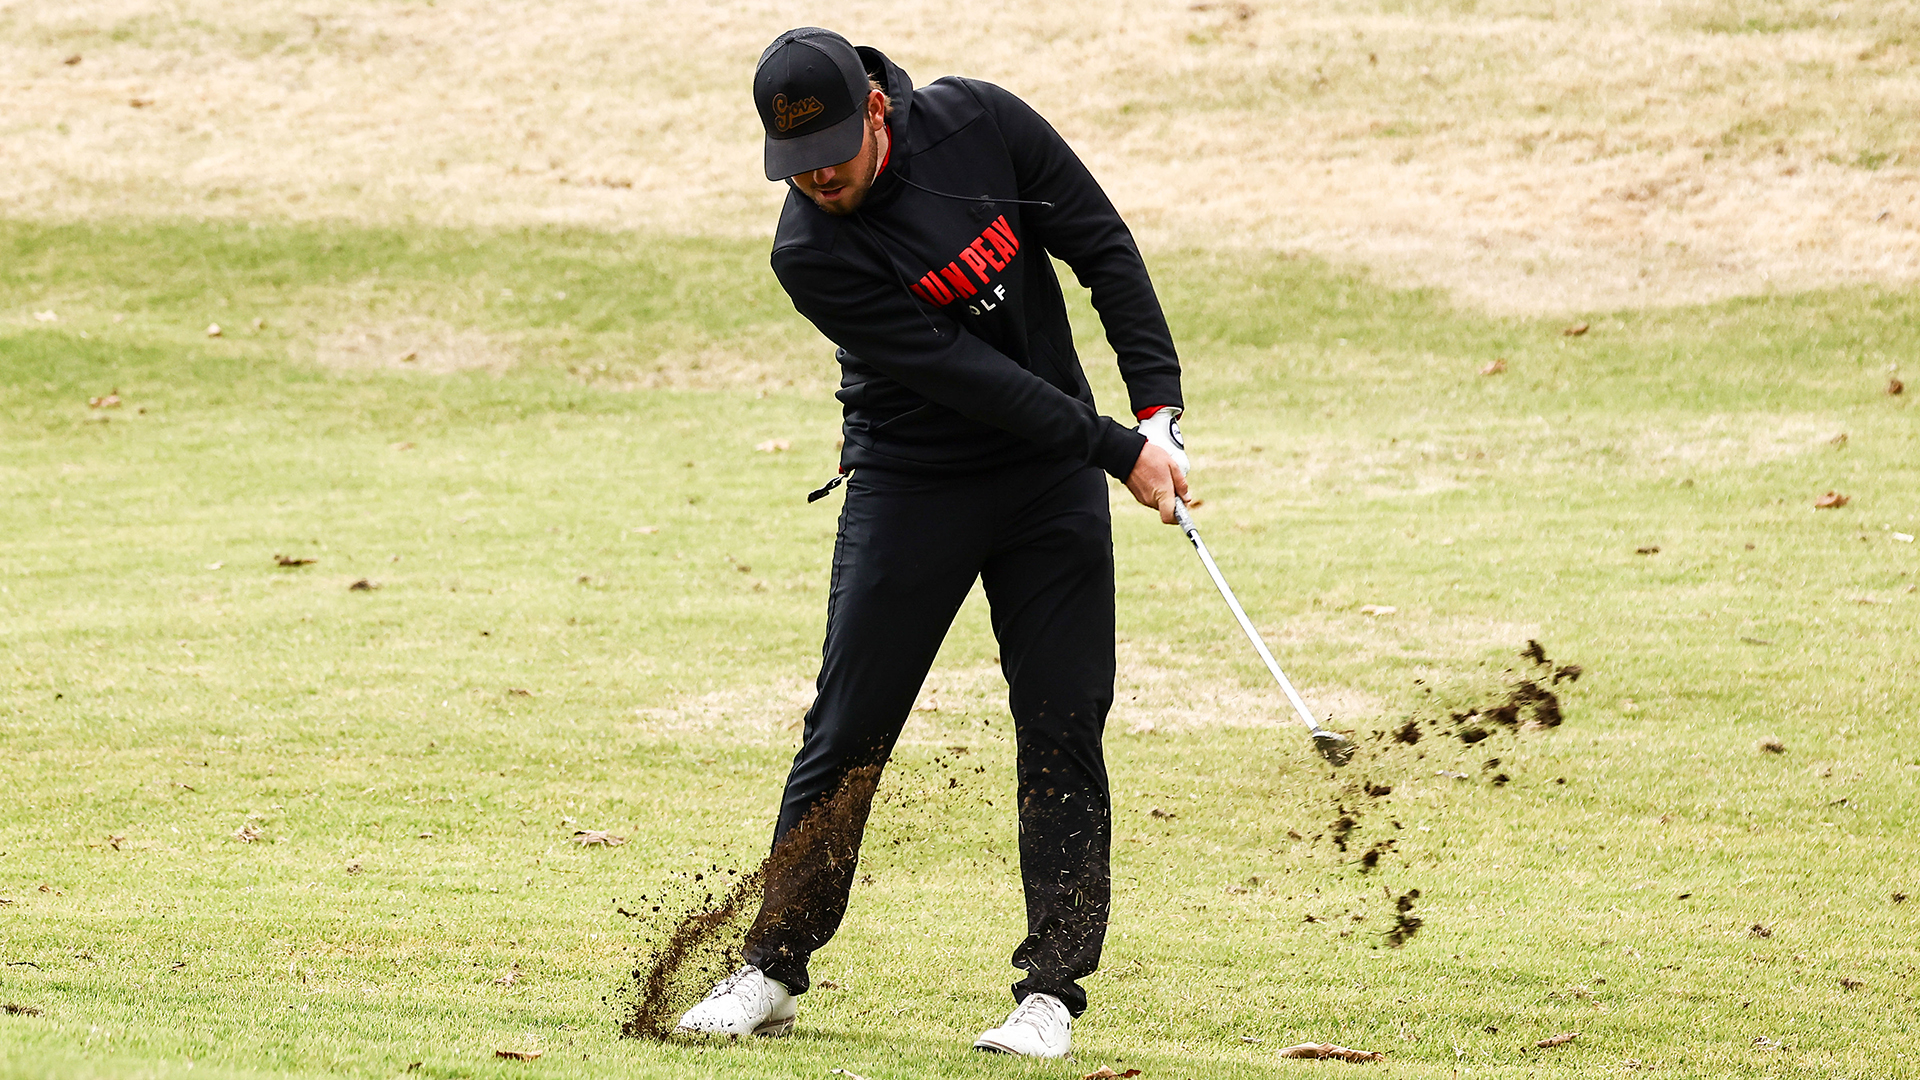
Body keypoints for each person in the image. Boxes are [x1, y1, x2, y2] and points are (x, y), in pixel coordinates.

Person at [676, 27, 1190, 1058]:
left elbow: (1101, 244)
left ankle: (1049, 996)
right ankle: (774, 968)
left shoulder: (981, 124)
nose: (817, 178)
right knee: (849, 729)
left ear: (874, 109)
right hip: (916, 479)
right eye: (795, 165)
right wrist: (1109, 449)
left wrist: (1156, 410)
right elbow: (967, 377)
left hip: (1048, 483)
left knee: (1061, 723)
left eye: (831, 150)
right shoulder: (808, 251)